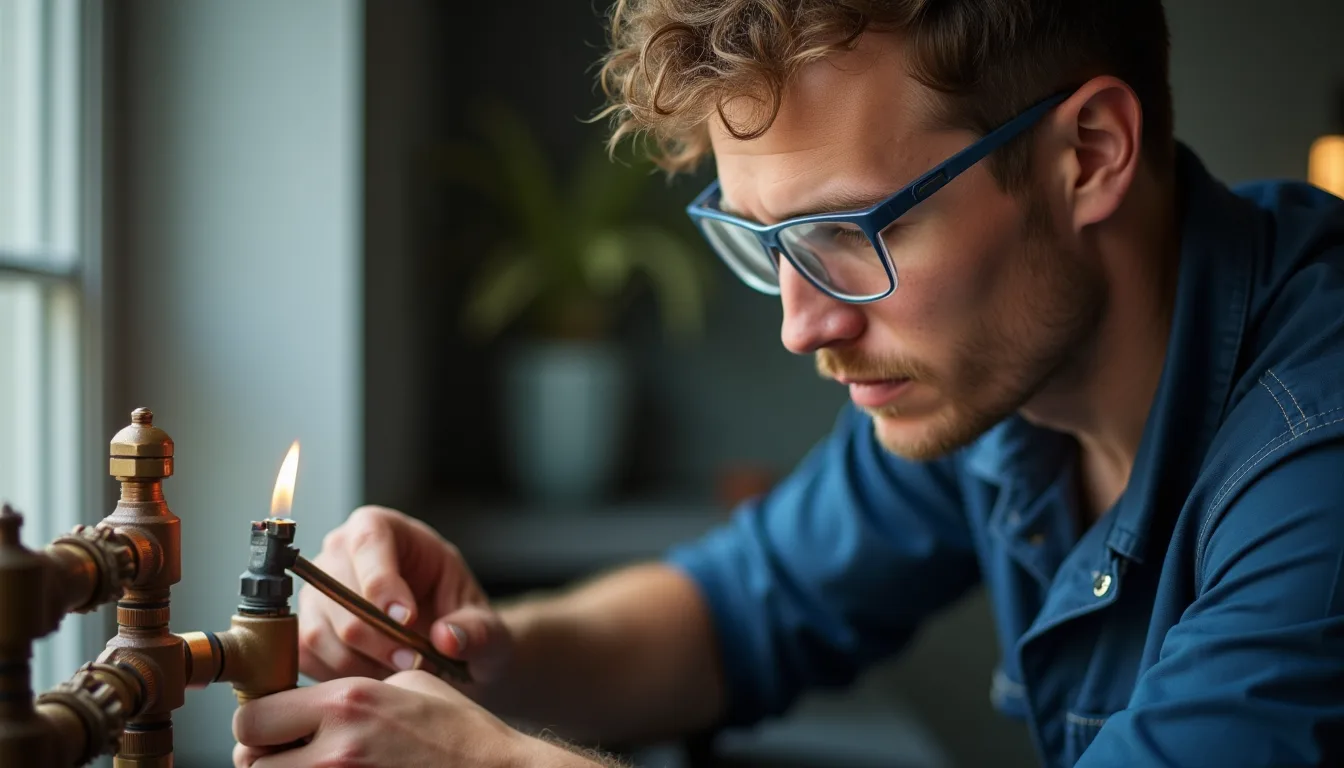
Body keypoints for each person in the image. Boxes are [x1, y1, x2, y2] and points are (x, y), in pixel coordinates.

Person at [233, 1, 1344, 766]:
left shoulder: (1317, 451)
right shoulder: (996, 385)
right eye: (765, 240)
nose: (803, 323)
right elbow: (730, 615)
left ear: (1091, 153)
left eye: (851, 230)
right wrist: (474, 652)